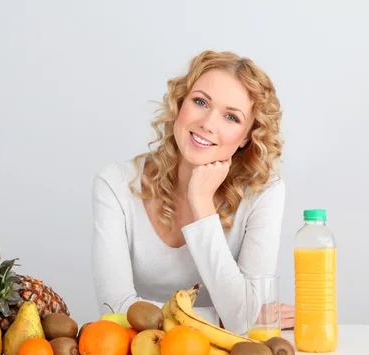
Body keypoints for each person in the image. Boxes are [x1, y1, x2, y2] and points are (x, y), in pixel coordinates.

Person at [91, 49, 295, 334]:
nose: (208, 123)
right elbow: (114, 310)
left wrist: (201, 204)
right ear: (180, 103)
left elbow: (244, 322)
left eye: (231, 118)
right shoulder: (116, 184)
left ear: (246, 136)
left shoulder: (263, 192)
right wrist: (222, 319)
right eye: (200, 102)